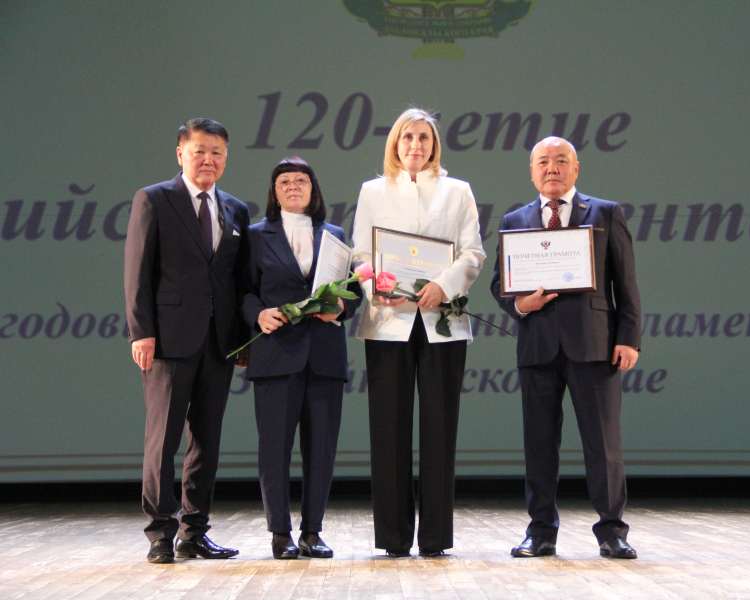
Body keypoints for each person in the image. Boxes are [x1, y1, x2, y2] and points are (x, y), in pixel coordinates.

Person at [490, 136, 642, 559]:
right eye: (543, 161)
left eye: (561, 160)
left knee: (603, 443)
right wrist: (521, 304)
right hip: (537, 347)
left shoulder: (605, 213)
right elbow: (500, 283)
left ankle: (612, 531)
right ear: (532, 172)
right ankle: (540, 532)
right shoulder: (515, 219)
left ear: (576, 169)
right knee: (539, 445)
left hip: (595, 345)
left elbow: (626, 282)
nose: (551, 168)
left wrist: (629, 337)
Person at [351, 108, 486, 557]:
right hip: (388, 323)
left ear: (434, 144)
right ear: (395, 142)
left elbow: (472, 253)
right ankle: (392, 538)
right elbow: (361, 256)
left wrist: (443, 286)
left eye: (424, 137)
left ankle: (435, 538)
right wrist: (376, 289)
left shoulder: (458, 190)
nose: (415, 145)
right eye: (407, 136)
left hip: (441, 323)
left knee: (440, 430)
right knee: (388, 431)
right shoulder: (372, 191)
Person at [124, 118, 250, 564]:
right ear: (180, 154)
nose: (208, 159)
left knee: (207, 440)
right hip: (168, 339)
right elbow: (137, 271)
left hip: (219, 342)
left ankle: (194, 531)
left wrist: (242, 340)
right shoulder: (154, 199)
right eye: (199, 151)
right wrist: (141, 331)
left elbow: (237, 281)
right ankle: (160, 532)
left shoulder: (235, 209)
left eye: (217, 152)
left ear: (226, 158)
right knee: (163, 439)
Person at [241, 157, 361, 559]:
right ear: (274, 193)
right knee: (274, 449)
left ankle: (312, 531)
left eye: (301, 180)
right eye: (284, 182)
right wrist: (257, 314)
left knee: (321, 449)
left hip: (324, 355)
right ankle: (280, 533)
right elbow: (242, 290)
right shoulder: (256, 235)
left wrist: (342, 307)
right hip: (275, 355)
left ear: (314, 189)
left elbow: (351, 291)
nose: (293, 186)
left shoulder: (335, 234)